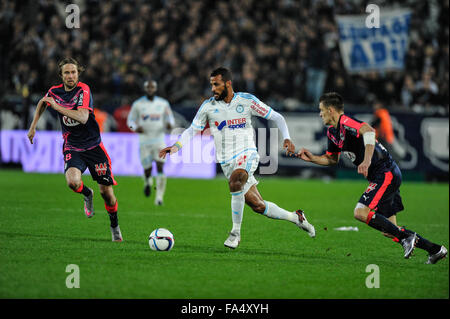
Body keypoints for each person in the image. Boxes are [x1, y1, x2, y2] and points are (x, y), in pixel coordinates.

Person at [159, 67, 315, 249]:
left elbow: (277, 117)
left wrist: (287, 137)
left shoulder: (246, 101)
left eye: (216, 84)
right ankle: (295, 217)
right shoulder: (208, 106)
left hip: (247, 153)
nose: (213, 89)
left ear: (227, 83)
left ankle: (235, 233)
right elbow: (192, 130)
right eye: (211, 85)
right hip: (226, 161)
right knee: (257, 205)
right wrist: (176, 146)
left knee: (235, 181)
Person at [297, 92, 446, 264]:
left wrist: (366, 160)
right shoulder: (332, 132)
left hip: (386, 172)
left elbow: (369, 130)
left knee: (360, 212)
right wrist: (312, 158)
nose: (320, 114)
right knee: (389, 229)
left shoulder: (345, 122)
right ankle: (435, 250)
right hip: (382, 175)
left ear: (331, 110)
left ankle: (406, 238)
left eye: (321, 110)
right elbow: (332, 159)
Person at [27, 57, 123, 242]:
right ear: (61, 76)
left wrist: (58, 107)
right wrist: (33, 126)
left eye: (73, 72)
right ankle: (87, 193)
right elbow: (43, 102)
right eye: (67, 73)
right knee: (72, 182)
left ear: (78, 73)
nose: (71, 76)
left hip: (94, 147)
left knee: (107, 194)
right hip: (73, 146)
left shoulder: (83, 90)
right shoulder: (55, 92)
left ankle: (114, 226)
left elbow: (83, 117)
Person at [127, 79, 175, 205]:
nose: (150, 90)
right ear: (145, 89)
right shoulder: (138, 104)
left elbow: (170, 118)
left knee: (160, 166)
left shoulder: (163, 103)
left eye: (152, 87)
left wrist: (170, 125)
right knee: (147, 169)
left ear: (155, 89)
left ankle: (159, 198)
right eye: (148, 88)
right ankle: (148, 181)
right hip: (144, 140)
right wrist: (135, 128)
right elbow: (130, 121)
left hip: (159, 139)